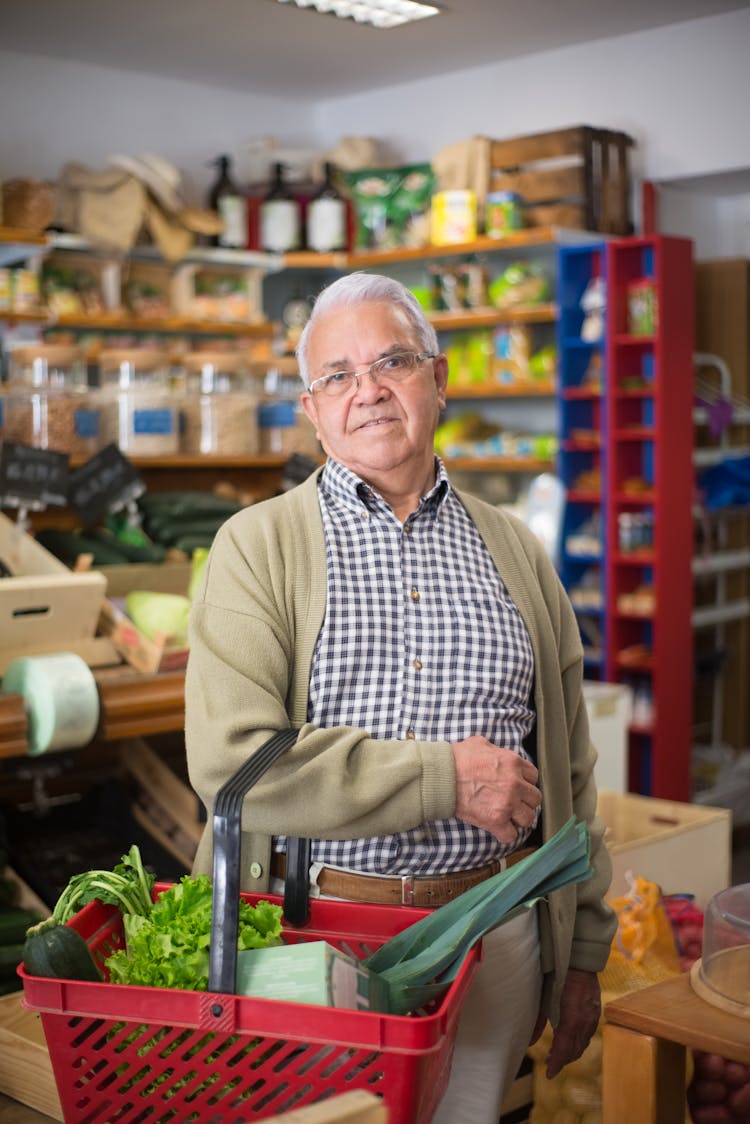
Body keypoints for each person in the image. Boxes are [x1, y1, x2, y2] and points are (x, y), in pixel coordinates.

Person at [185, 271, 617, 1123]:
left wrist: (585, 951)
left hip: (499, 931)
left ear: (440, 378)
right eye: (338, 375)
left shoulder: (519, 551)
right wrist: (443, 778)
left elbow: (570, 763)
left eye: (394, 361)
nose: (370, 391)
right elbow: (234, 768)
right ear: (312, 410)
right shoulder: (256, 547)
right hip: (316, 939)